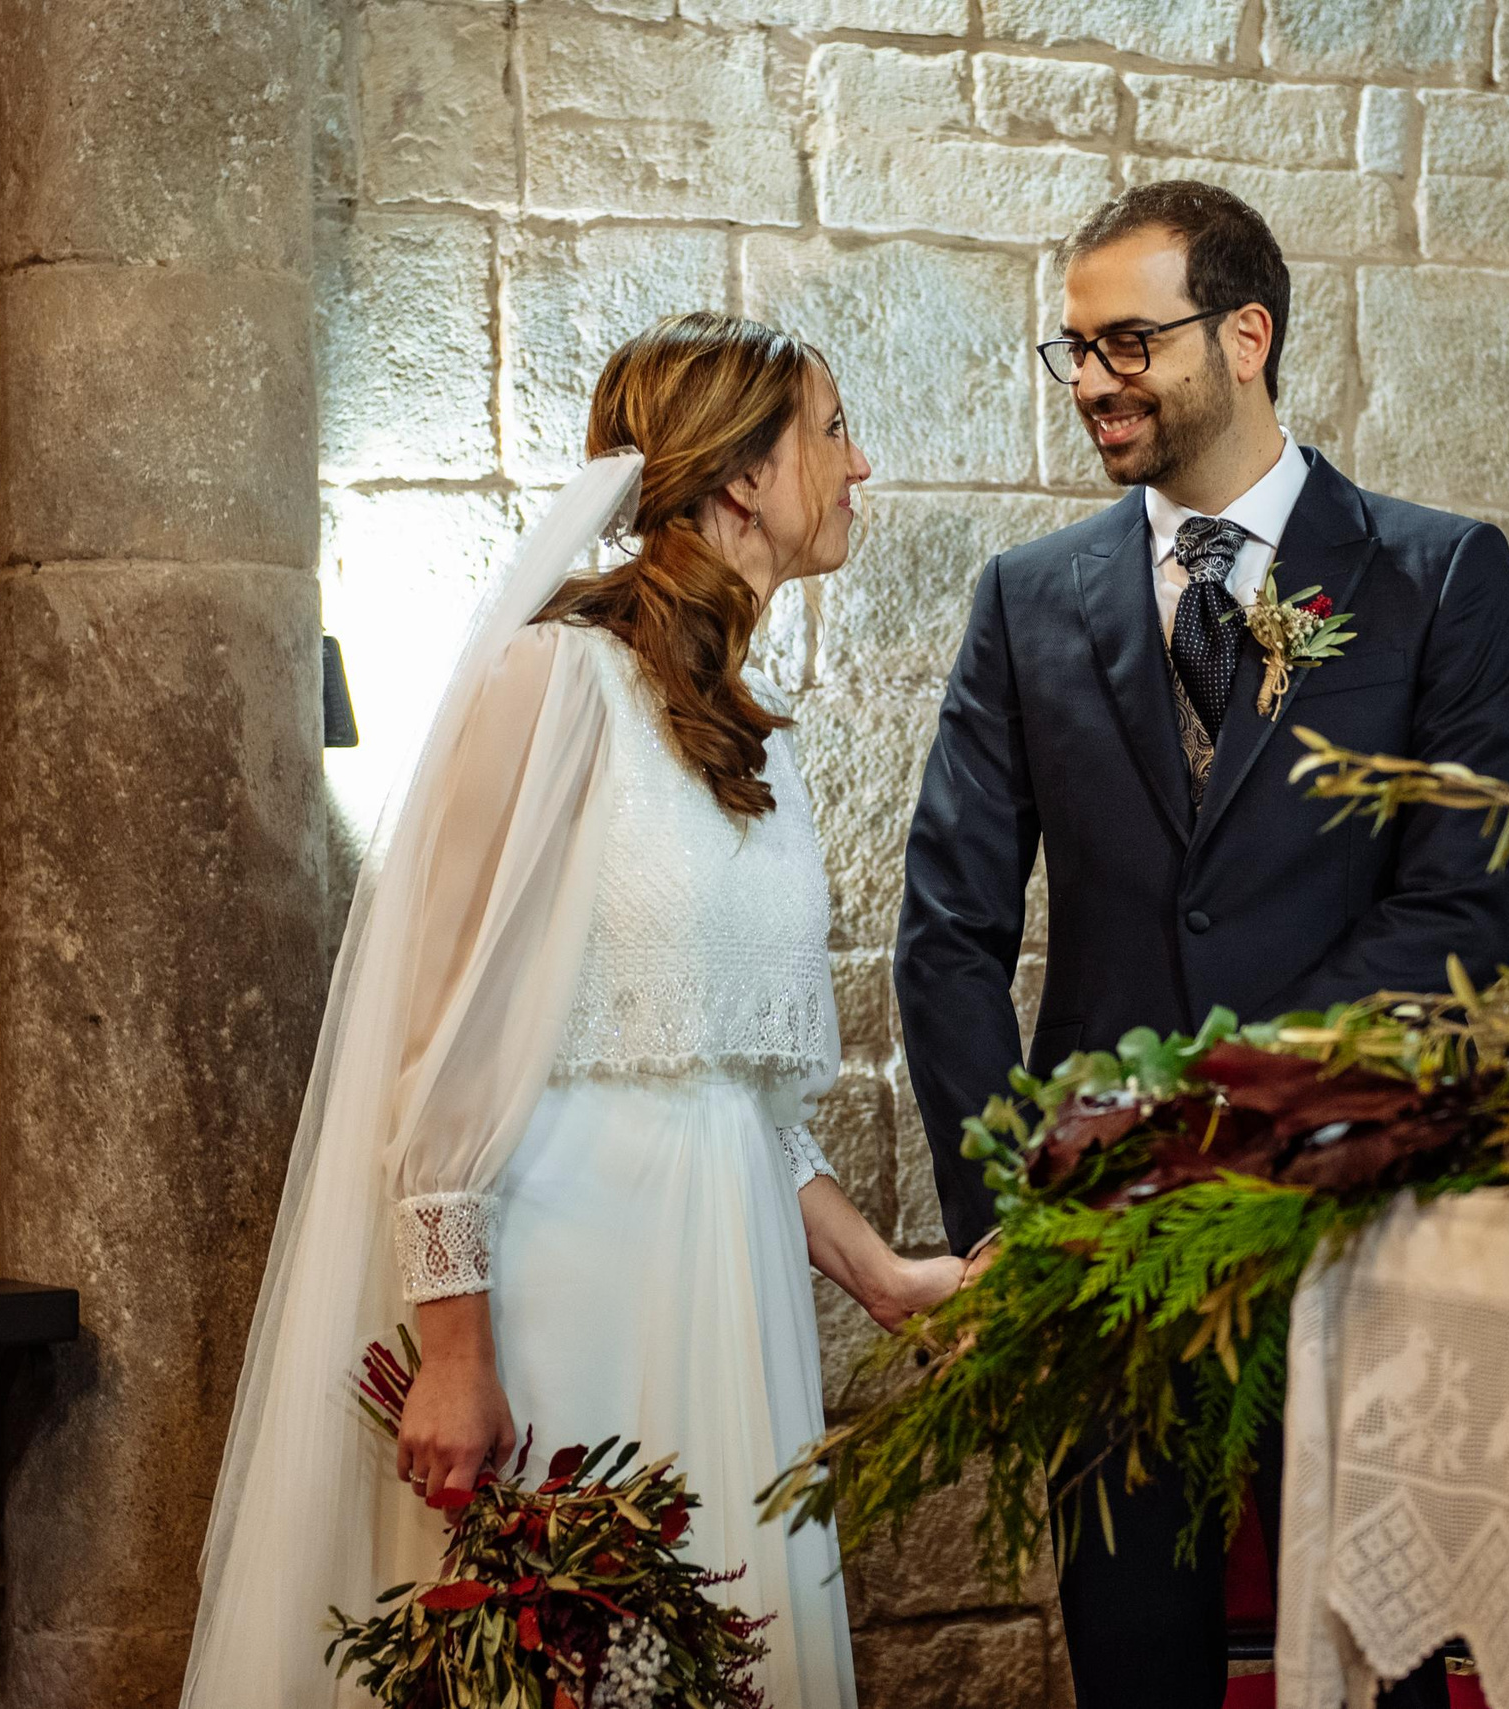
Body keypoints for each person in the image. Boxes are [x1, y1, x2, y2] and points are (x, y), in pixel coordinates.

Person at [181, 312, 957, 1709]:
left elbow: (740, 1091)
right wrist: (456, 1350)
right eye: (832, 432)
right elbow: (448, 1047)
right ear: (737, 479)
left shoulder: (754, 718)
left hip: (730, 1288)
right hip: (572, 1279)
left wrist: (882, 1277)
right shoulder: (555, 681)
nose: (859, 467)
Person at [896, 181, 1509, 1708]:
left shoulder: (1433, 577)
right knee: (1134, 1662)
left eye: (1130, 340)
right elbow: (948, 930)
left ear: (1246, 335)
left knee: (1380, 1652)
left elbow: (1462, 907)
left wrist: (1214, 1103)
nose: (1095, 380)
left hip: (1351, 1210)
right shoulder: (1027, 599)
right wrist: (1009, 1220)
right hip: (1098, 1247)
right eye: (1074, 348)